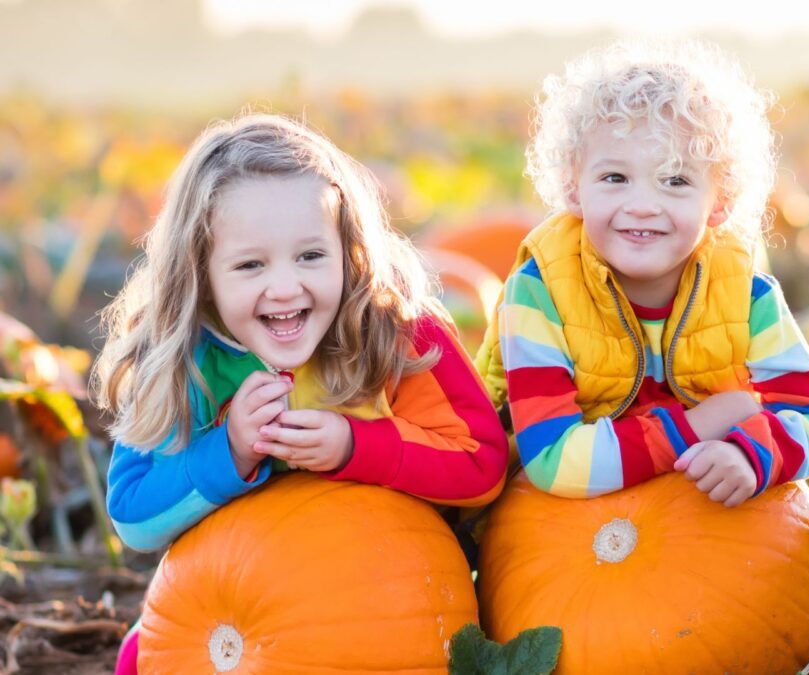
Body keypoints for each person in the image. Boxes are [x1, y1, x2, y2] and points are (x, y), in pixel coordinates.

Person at [92, 114, 508, 673]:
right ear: (201, 272)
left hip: (388, 600)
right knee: (143, 659)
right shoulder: (187, 363)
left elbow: (482, 463)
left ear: (349, 248)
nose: (286, 287)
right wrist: (230, 452)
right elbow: (135, 518)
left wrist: (356, 446)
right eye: (250, 265)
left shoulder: (398, 338)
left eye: (311, 255)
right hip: (241, 607)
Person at [475, 40, 809, 506]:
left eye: (675, 181)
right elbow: (553, 460)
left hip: (705, 527)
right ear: (573, 188)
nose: (642, 206)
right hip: (564, 533)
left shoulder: (746, 295)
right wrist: (699, 425)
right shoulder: (539, 293)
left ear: (722, 202)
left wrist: (752, 454)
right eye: (615, 178)